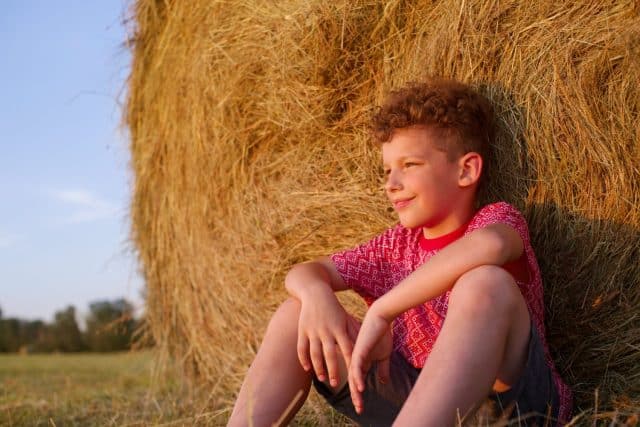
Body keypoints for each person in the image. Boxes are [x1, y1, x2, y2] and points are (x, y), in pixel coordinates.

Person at [227, 79, 572, 426]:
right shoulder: (393, 248)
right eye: (387, 170)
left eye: (409, 165)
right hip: (414, 400)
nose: (391, 183)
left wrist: (383, 310)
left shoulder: (495, 220)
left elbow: (491, 247)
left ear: (466, 170)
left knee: (485, 283)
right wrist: (317, 295)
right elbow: (304, 272)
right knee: (296, 313)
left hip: (514, 409)